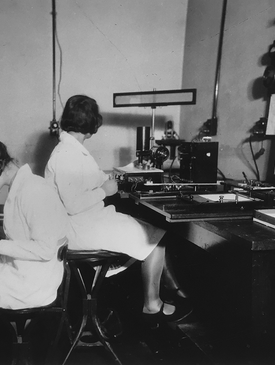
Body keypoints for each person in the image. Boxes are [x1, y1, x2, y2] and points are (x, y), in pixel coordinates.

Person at [45, 95, 192, 325]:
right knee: (155, 238)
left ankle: (170, 289)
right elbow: (73, 204)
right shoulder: (66, 155)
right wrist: (105, 190)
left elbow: (95, 179)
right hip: (80, 229)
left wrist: (120, 178)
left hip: (86, 222)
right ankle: (153, 305)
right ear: (91, 124)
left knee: (153, 231)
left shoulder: (72, 150)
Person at [0, 135, 68, 310]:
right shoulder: (21, 185)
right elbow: (27, 234)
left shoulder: (34, 190)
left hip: (32, 285)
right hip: (24, 272)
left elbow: (45, 249)